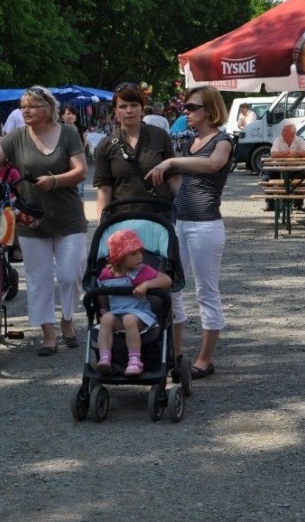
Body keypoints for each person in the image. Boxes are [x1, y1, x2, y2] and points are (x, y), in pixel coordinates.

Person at [0, 85, 87, 356]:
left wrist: (55, 180)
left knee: (71, 275)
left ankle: (67, 320)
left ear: (48, 109)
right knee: (38, 278)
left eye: (32, 106)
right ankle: (48, 331)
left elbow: (81, 171)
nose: (26, 111)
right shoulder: (16, 137)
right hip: (30, 217)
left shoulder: (68, 133)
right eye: (23, 107)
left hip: (68, 217)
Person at [145, 86, 233, 380]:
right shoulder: (191, 143)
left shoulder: (222, 141)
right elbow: (183, 187)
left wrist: (172, 161)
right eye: (186, 107)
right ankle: (176, 352)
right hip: (181, 222)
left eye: (192, 107)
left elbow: (213, 165)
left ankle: (205, 359)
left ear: (209, 109)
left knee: (206, 290)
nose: (187, 112)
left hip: (206, 225)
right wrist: (166, 175)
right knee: (170, 285)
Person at [94, 229, 171, 376]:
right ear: (120, 257)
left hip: (140, 317)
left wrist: (147, 284)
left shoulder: (142, 271)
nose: (140, 257)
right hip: (117, 316)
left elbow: (166, 280)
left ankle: (135, 360)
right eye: (133, 253)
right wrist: (103, 309)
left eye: (140, 252)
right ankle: (104, 358)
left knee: (129, 319)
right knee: (106, 318)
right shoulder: (107, 274)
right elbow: (101, 292)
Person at [94, 83, 175, 218]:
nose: (129, 110)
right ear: (116, 110)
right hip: (122, 220)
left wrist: (189, 209)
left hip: (159, 218)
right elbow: (104, 190)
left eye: (134, 105)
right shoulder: (105, 144)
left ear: (142, 108)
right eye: (123, 106)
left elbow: (174, 178)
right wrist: (102, 226)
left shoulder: (160, 136)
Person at [262, 122, 305, 212]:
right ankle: (270, 203)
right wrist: (284, 154)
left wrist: (295, 153)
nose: (283, 133)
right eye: (283, 130)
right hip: (279, 169)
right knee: (265, 179)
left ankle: (298, 203)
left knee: (303, 176)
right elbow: (273, 154)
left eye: (286, 131)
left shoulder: (299, 140)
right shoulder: (278, 140)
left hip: (295, 169)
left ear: (293, 133)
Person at [61, 105, 88, 198]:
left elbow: (85, 142)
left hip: (79, 163)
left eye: (73, 114)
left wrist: (79, 154)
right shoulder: (59, 130)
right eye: (68, 113)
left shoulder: (79, 129)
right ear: (62, 116)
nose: (71, 116)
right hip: (64, 163)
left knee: (80, 192)